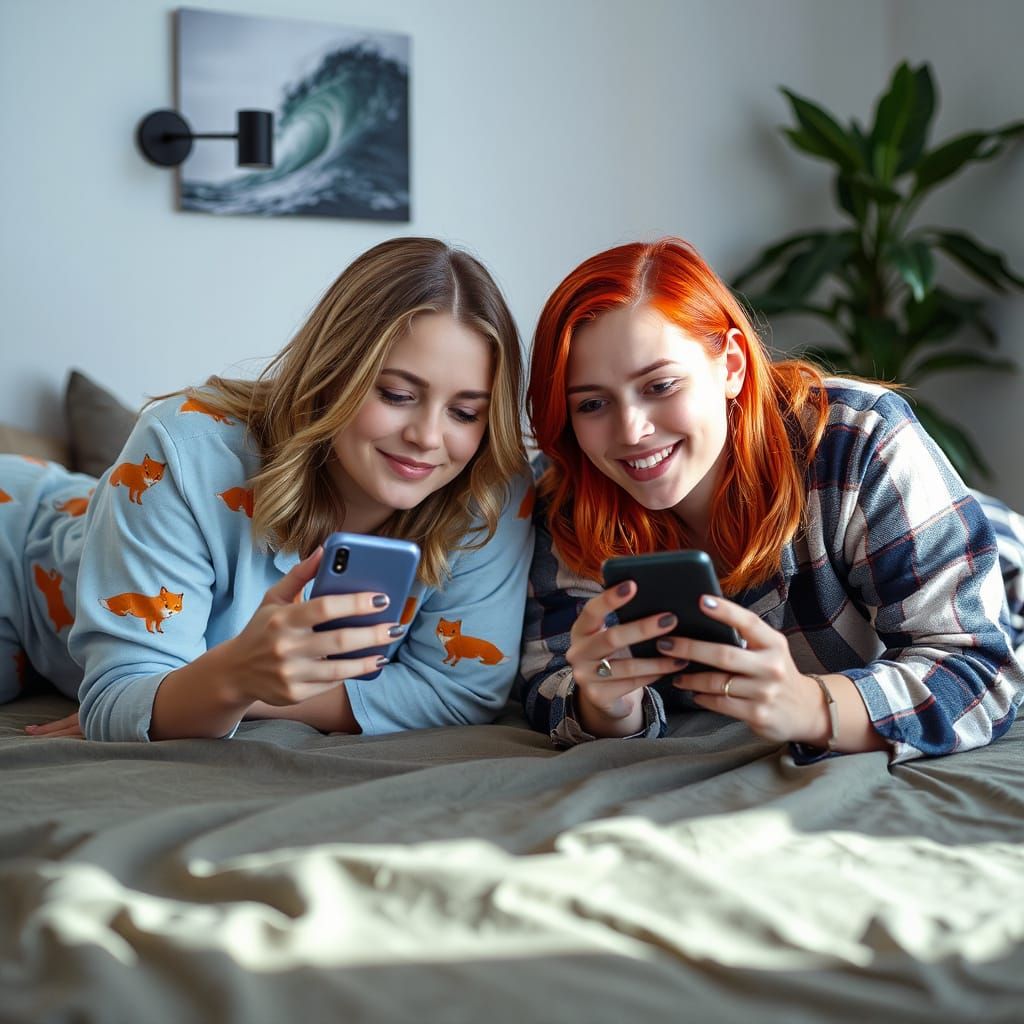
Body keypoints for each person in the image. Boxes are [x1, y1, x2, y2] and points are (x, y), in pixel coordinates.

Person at [1, 237, 534, 741]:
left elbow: (460, 691)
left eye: (465, 412)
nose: (427, 437)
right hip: (16, 561)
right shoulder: (188, 446)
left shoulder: (488, 488)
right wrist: (200, 687)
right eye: (396, 395)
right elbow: (119, 703)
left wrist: (236, 691)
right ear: (331, 374)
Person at [519, 237, 1024, 762]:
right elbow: (550, 674)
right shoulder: (568, 488)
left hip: (1000, 584)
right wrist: (608, 705)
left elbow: (977, 667)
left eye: (661, 385)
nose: (631, 430)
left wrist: (811, 706)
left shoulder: (859, 437)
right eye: (593, 403)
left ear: (731, 365)